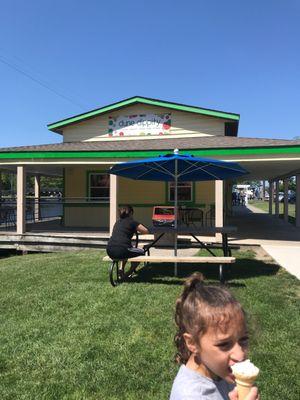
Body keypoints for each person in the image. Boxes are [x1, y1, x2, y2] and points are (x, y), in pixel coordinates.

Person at [170, 273, 260, 400]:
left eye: (243, 339)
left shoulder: (217, 369)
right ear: (192, 343)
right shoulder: (191, 396)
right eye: (224, 344)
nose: (240, 355)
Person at [106, 205, 149, 277]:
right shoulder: (132, 222)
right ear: (131, 213)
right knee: (142, 252)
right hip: (123, 250)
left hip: (110, 250)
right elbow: (146, 231)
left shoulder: (117, 223)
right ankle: (128, 273)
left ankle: (121, 269)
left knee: (127, 249)